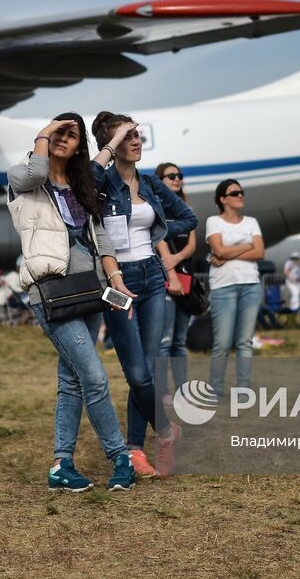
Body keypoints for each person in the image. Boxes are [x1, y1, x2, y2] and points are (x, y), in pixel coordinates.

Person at [8, 112, 138, 492]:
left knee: (71, 380)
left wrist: (115, 279)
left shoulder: (83, 187)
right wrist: (46, 133)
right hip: (51, 291)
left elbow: (101, 238)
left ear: (81, 145)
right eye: (58, 131)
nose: (64, 137)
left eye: (72, 134)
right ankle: (120, 457)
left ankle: (61, 465)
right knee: (94, 377)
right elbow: (34, 172)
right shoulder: (24, 180)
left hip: (92, 288)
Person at [90, 113, 193, 478]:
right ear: (112, 143)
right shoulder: (101, 185)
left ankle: (135, 449)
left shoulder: (150, 183)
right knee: (136, 374)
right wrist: (110, 142)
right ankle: (165, 432)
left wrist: (158, 232)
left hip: (150, 276)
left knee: (148, 370)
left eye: (137, 135)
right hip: (116, 282)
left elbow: (188, 218)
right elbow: (87, 178)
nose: (136, 140)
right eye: (127, 136)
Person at [206, 178, 264, 400]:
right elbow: (218, 251)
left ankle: (243, 390)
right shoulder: (214, 221)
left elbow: (260, 253)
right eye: (234, 193)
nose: (240, 195)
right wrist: (247, 244)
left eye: (241, 192)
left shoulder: (251, 222)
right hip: (224, 286)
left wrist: (229, 252)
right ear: (223, 199)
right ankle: (217, 389)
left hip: (251, 284)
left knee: (245, 342)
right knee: (222, 342)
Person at [153, 162, 200, 400]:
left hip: (186, 279)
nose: (177, 179)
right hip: (164, 282)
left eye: (179, 175)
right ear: (159, 180)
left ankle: (183, 390)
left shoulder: (185, 208)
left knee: (180, 342)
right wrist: (169, 266)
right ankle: (162, 392)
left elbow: (192, 244)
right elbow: (157, 238)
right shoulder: (155, 207)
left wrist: (176, 258)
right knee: (165, 340)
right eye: (171, 176)